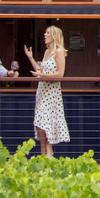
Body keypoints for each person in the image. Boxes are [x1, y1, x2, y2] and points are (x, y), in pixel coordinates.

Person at [25, 25, 70, 157]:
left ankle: (48, 154)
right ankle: (45, 154)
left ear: (54, 36)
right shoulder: (46, 52)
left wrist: (42, 76)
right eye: (45, 33)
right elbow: (40, 70)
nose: (45, 35)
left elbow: (60, 74)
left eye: (48, 33)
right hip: (42, 91)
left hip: (52, 93)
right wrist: (30, 58)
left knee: (47, 122)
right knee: (40, 123)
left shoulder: (59, 51)